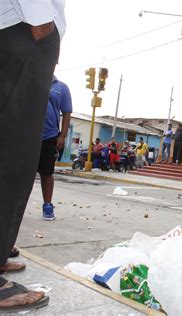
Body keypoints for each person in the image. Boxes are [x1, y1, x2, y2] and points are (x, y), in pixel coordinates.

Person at [0, 1, 65, 312]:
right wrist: (40, 16)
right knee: (12, 158)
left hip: (20, 25)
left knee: (12, 154)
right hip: (25, 26)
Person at [38, 77, 72, 221]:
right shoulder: (31, 79)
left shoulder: (62, 87)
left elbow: (66, 113)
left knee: (46, 173)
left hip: (49, 137)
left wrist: (62, 136)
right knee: (21, 173)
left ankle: (47, 206)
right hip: (26, 135)